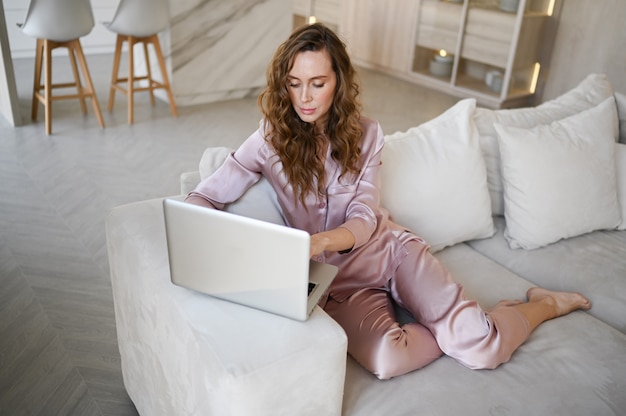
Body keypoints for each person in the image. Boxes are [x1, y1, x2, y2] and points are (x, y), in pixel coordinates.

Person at [185, 23, 591, 380]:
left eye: (318, 82)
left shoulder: (367, 134)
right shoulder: (268, 139)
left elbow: (364, 214)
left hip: (389, 253)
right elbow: (205, 195)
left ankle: (543, 305)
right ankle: (468, 326)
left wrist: (323, 241)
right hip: (338, 286)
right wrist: (213, 236)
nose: (304, 97)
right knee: (387, 361)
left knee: (482, 350)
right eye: (294, 82)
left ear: (338, 82)